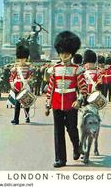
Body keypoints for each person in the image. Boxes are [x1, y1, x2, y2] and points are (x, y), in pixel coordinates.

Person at [45, 31, 87, 168]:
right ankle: (60, 159)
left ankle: (76, 146)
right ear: (59, 53)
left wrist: (79, 100)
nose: (64, 55)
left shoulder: (77, 69)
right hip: (57, 103)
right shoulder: (54, 69)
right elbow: (51, 88)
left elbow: (83, 88)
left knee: (72, 129)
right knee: (58, 132)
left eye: (67, 52)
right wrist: (47, 104)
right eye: (62, 52)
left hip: (71, 103)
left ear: (71, 53)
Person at [10, 44, 33, 125]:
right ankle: (16, 119)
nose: (22, 60)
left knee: (26, 103)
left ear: (26, 58)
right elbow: (12, 77)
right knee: (17, 104)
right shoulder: (16, 67)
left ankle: (27, 117)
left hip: (25, 86)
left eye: (23, 58)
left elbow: (31, 76)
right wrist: (12, 84)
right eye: (20, 58)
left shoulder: (29, 67)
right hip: (17, 87)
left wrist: (27, 81)